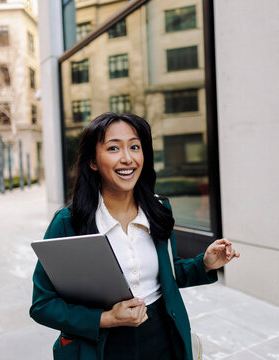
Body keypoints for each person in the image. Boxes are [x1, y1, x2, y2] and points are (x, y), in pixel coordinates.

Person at [30, 112, 240, 360]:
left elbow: (167, 275)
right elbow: (42, 305)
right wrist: (106, 318)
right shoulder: (68, 223)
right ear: (93, 161)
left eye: (134, 147)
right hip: (103, 348)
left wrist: (204, 264)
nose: (127, 158)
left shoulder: (158, 210)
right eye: (113, 148)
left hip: (164, 339)